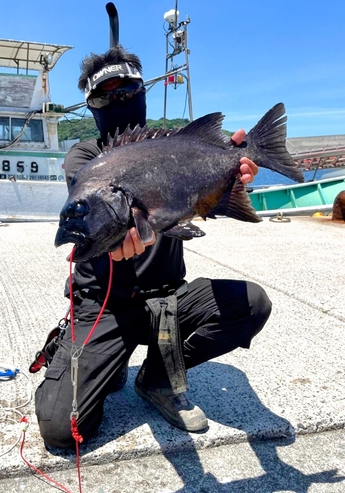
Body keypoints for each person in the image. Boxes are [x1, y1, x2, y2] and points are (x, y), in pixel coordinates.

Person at [34, 45, 272, 449]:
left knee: (252, 303)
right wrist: (112, 245)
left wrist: (232, 172)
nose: (117, 102)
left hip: (167, 300)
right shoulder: (86, 158)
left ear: (143, 92)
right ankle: (92, 354)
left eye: (126, 92)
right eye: (103, 96)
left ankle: (157, 378)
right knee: (61, 430)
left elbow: (196, 198)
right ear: (91, 105)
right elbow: (92, 203)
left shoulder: (176, 144)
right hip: (103, 305)